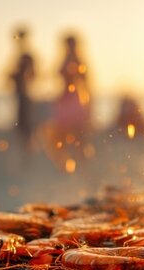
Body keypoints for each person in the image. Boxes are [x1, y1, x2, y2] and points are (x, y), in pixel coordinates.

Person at [47, 34, 91, 171]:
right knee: (68, 134)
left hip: (71, 101)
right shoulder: (73, 60)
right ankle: (73, 162)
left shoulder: (74, 60)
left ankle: (75, 162)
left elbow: (84, 81)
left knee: (72, 134)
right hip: (70, 100)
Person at [10, 27, 35, 150]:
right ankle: (25, 149)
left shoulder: (26, 57)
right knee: (22, 125)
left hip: (26, 95)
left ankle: (27, 150)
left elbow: (33, 75)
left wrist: (18, 77)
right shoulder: (19, 56)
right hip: (20, 94)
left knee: (25, 125)